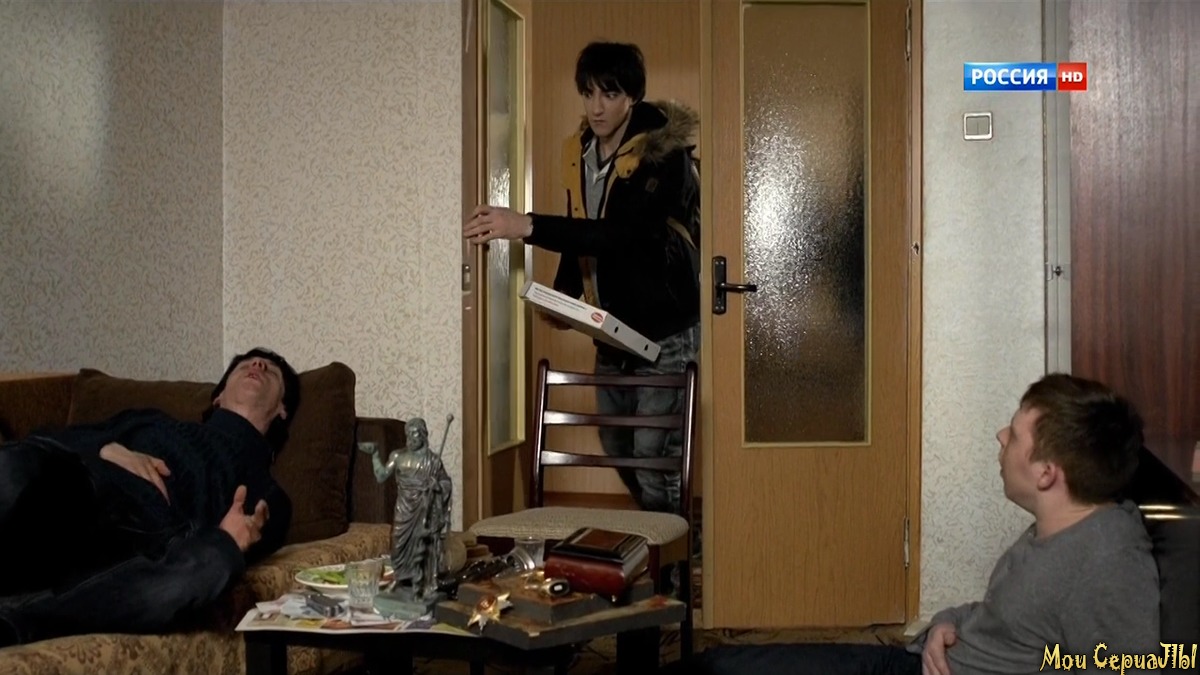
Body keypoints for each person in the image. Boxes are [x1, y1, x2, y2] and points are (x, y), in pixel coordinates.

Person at [668, 373, 1161, 675]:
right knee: (716, 667)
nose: (1000, 435)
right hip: (916, 657)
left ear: (1047, 474)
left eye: (1014, 434)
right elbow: (1014, 622)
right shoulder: (1064, 525)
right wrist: (948, 621)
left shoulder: (1107, 562)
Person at [463, 41, 700, 515]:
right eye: (589, 93)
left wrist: (525, 225)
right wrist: (566, 298)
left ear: (631, 96)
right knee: (616, 444)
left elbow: (621, 236)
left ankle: (672, 552)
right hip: (612, 330)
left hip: (665, 329)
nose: (596, 107)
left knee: (653, 459)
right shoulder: (582, 152)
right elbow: (583, 227)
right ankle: (664, 536)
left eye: (609, 94)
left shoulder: (663, 155)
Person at [0, 348, 300, 646]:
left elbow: (221, 554)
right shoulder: (151, 420)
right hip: (75, 493)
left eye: (271, 371)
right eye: (246, 363)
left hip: (140, 550)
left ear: (282, 409)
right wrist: (105, 447)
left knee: (216, 562)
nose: (258, 364)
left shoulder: (269, 493)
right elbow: (42, 441)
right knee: (14, 469)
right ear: (218, 397)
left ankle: (14, 624)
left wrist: (228, 538)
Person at [359, 416, 453, 600]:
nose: (410, 439)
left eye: (414, 434)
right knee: (398, 543)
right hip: (404, 508)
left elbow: (445, 483)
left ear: (424, 435)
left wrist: (436, 485)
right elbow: (381, 476)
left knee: (423, 545)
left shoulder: (433, 461)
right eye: (408, 435)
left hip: (424, 508)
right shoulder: (398, 456)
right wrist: (375, 454)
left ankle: (423, 584)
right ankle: (400, 578)